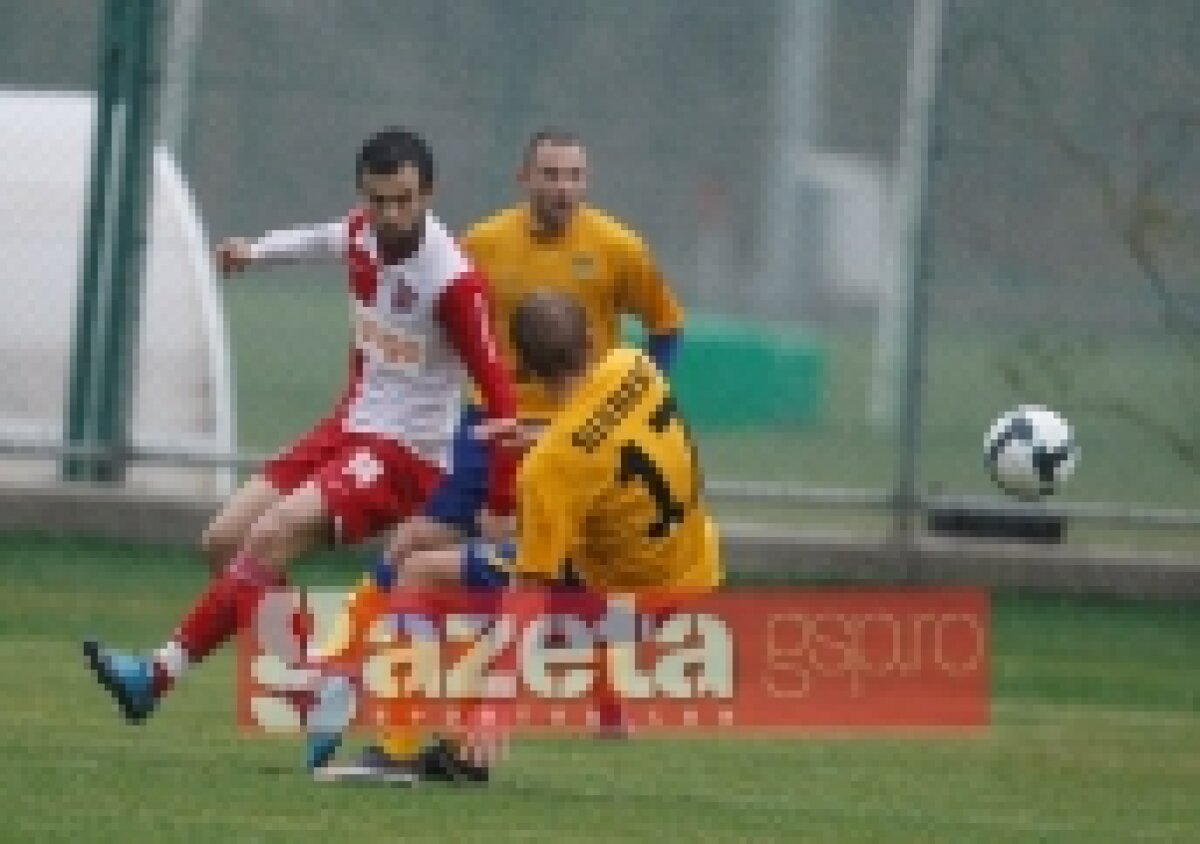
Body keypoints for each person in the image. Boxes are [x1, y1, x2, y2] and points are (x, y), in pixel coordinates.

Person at [82, 128, 519, 725]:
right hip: (348, 426)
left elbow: (498, 393)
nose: (391, 214)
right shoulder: (363, 232)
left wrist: (501, 498)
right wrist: (254, 252)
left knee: (274, 530)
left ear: (430, 193)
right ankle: (316, 683)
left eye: (405, 200)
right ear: (364, 195)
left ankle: (161, 676)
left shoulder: (453, 282)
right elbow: (321, 239)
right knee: (224, 540)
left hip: (406, 454)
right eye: (378, 200)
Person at [314, 128, 687, 768]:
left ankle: (574, 708)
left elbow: (667, 326)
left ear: (587, 182)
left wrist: (626, 405)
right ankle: (345, 668)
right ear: (525, 178)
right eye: (550, 174)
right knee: (410, 546)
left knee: (538, 566)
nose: (562, 187)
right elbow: (444, 312)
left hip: (572, 445)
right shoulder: (484, 243)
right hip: (491, 428)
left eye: (574, 175)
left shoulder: (618, 247)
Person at [309, 290, 720, 784]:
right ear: (591, 339)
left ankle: (397, 753)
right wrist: (544, 435)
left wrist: (498, 700)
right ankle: (462, 755)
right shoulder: (634, 367)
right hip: (695, 572)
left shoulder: (549, 472)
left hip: (628, 606)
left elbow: (529, 593)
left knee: (420, 571)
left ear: (521, 371)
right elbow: (610, 434)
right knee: (475, 585)